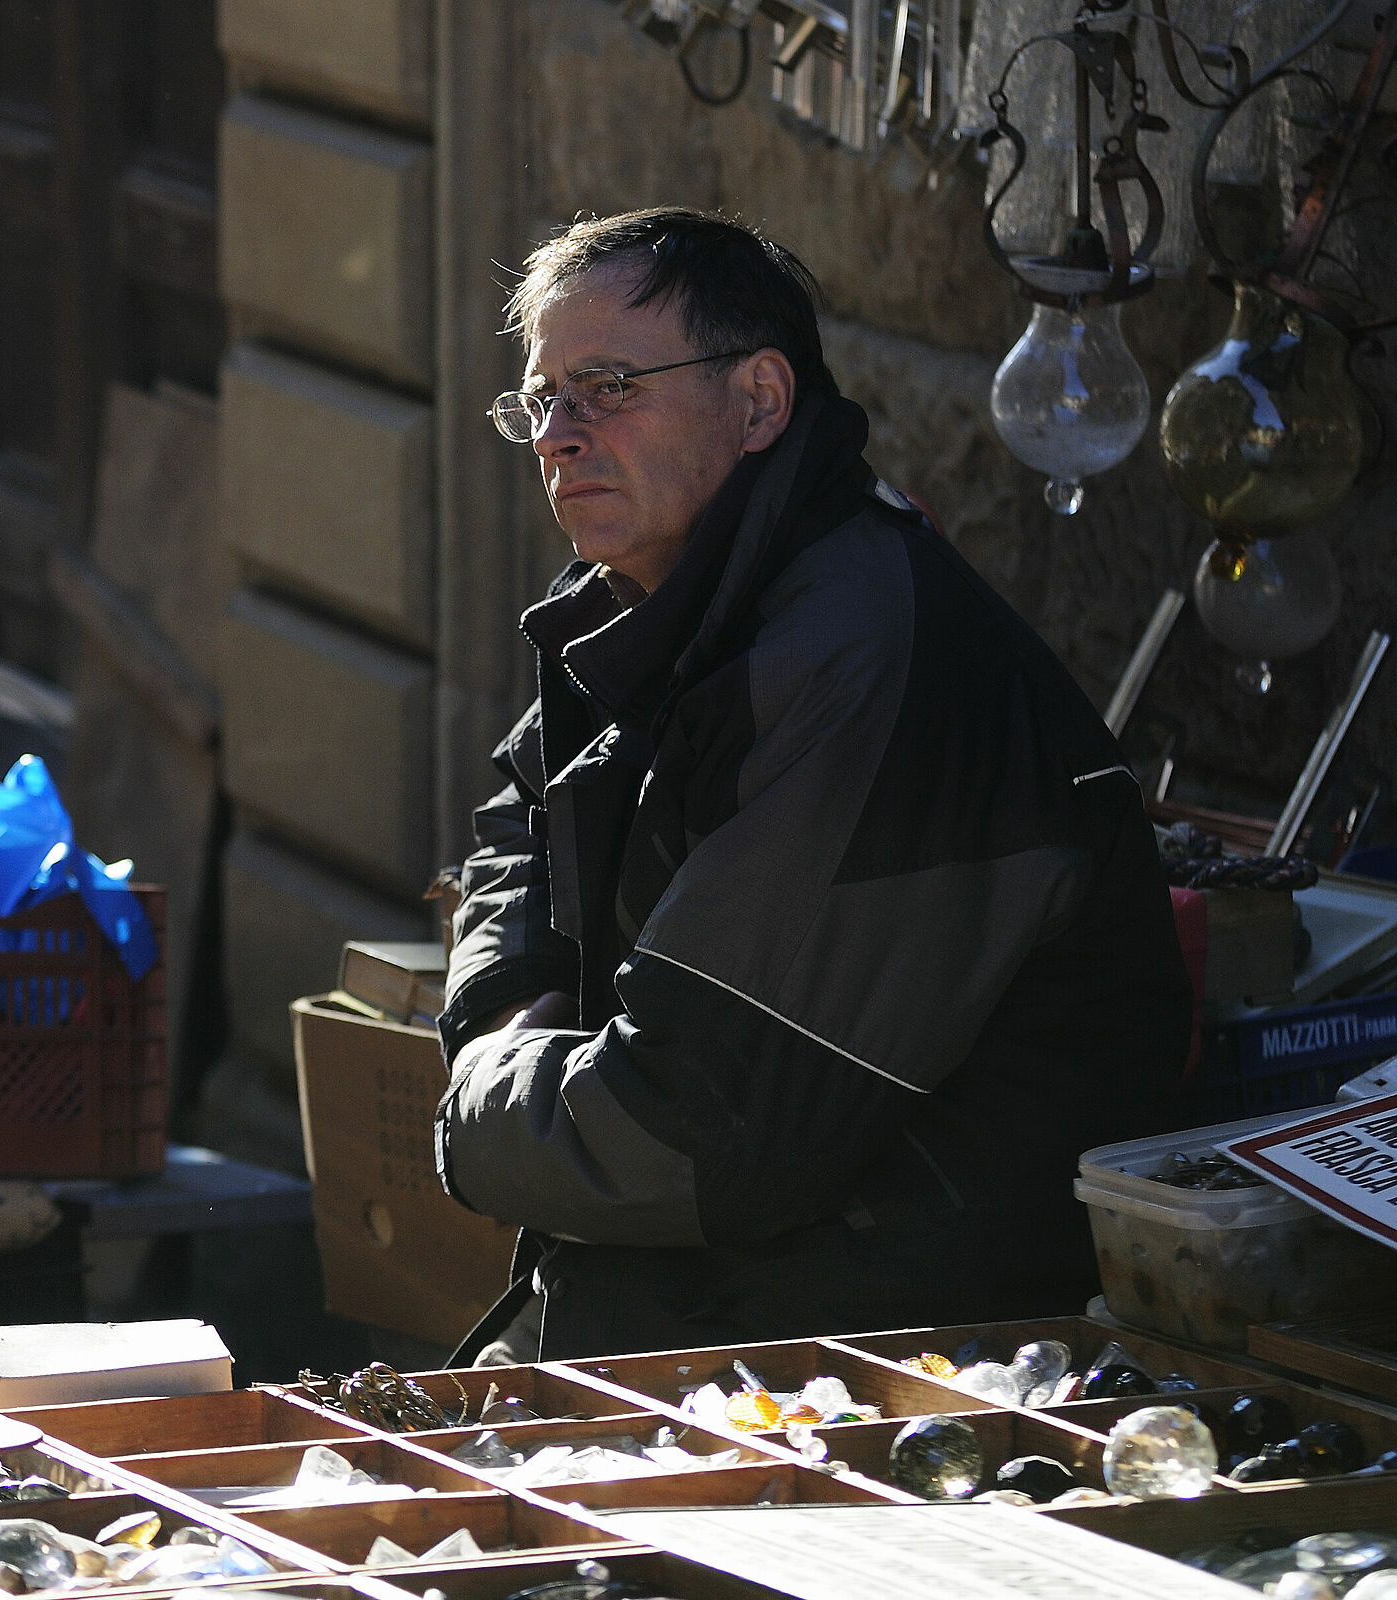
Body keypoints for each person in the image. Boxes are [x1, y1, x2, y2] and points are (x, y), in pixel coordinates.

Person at [435, 209, 1191, 1361]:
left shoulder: (852, 649)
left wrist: (483, 1082)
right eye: (541, 400)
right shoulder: (654, 588)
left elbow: (682, 1138)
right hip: (691, 1316)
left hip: (889, 1360)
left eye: (608, 387)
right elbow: (520, 815)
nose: (558, 437)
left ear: (759, 402)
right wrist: (511, 1011)